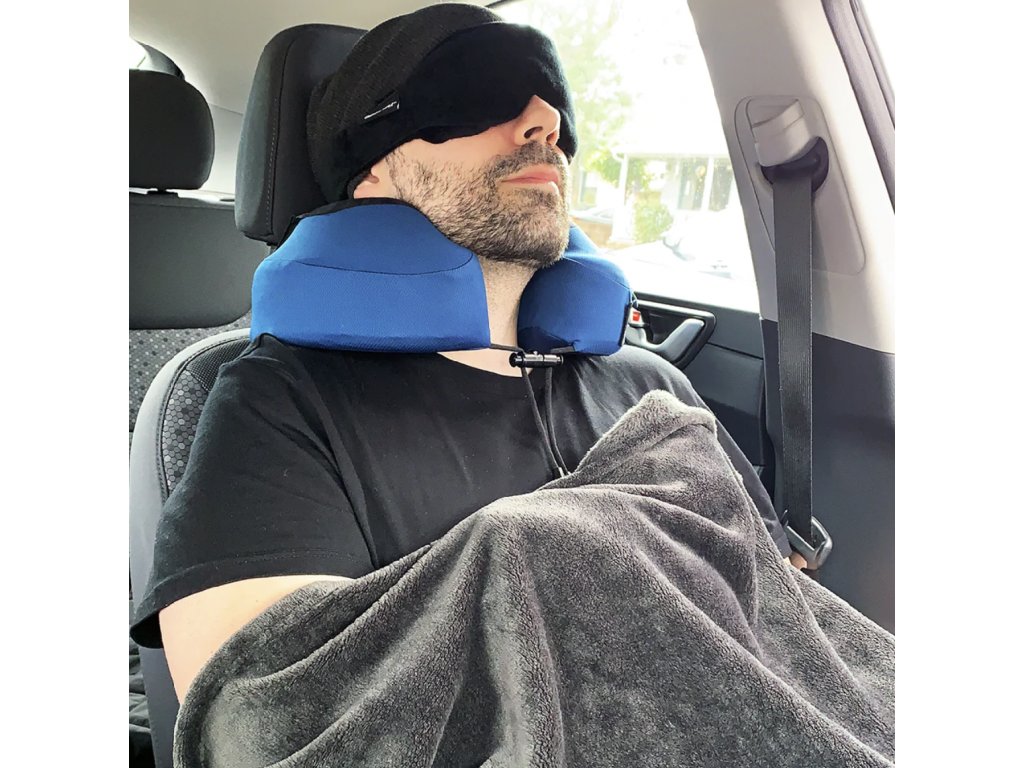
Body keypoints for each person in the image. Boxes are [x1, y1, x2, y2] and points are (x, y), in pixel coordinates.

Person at [130, 2, 797, 702]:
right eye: (478, 92)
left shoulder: (653, 386)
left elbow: (785, 619)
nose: (546, 121)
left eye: (555, 101)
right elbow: (269, 713)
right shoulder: (277, 405)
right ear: (372, 170)